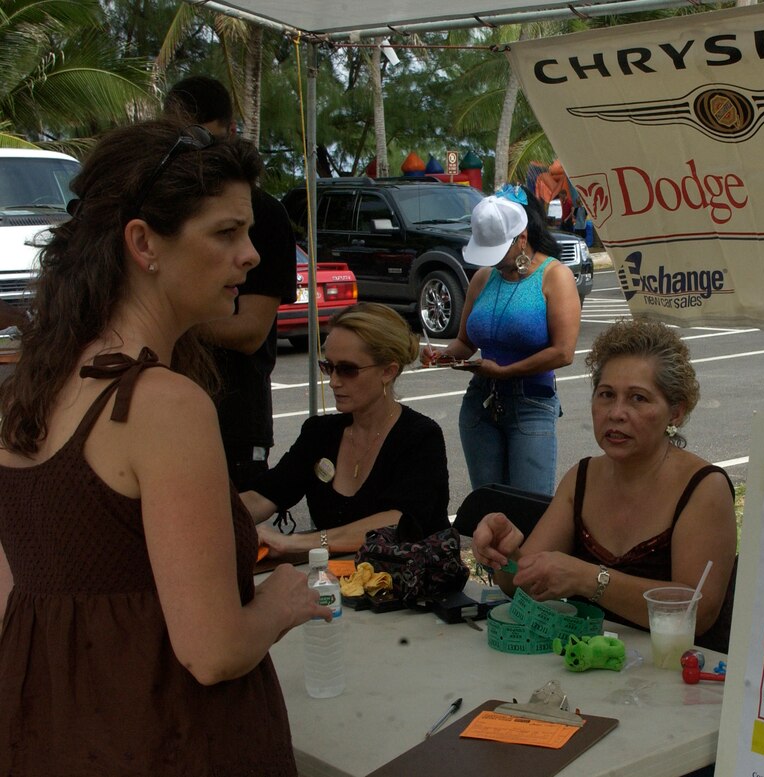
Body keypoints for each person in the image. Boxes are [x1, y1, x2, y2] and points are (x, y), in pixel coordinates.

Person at [0, 120, 327, 775]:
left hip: (49, 733)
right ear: (144, 242)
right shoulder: (164, 405)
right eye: (226, 232)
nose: (252, 254)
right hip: (165, 739)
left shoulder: (23, 391)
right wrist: (282, 600)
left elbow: (12, 602)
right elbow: (212, 649)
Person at [472, 318, 738, 651]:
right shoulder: (581, 477)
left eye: (638, 399)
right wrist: (506, 554)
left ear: (676, 413)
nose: (616, 413)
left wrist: (589, 579)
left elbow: (698, 613)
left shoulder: (704, 488)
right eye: (606, 395)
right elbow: (518, 586)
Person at [165, 75, 297, 491]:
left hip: (234, 416)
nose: (246, 255)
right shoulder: (166, 206)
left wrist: (168, 319)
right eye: (224, 233)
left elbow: (249, 331)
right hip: (168, 412)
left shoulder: (267, 214)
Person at [243, 303, 449, 556]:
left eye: (348, 370)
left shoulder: (420, 437)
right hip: (335, 584)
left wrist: (297, 542)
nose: (333, 381)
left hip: (408, 585)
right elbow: (266, 494)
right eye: (328, 366)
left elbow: (398, 523)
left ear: (388, 371)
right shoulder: (320, 433)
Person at [423, 185, 580, 496]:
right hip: (481, 401)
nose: (492, 262)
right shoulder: (483, 278)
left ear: (522, 238)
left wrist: (507, 371)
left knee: (528, 508)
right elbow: (466, 342)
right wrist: (441, 355)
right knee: (490, 505)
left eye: (497, 251)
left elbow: (563, 353)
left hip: (531, 400)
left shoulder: (554, 276)